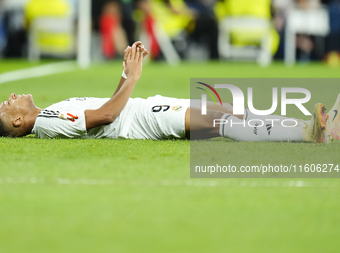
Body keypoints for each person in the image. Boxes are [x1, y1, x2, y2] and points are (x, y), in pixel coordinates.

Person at [0, 41, 337, 143]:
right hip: (144, 120)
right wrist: (134, 77)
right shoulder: (47, 121)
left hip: (145, 110)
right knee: (222, 121)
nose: (8, 97)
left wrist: (124, 74)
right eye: (5, 106)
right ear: (17, 121)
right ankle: (309, 134)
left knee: (233, 112)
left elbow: (106, 106)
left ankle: (313, 126)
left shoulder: (50, 114)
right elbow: (106, 116)